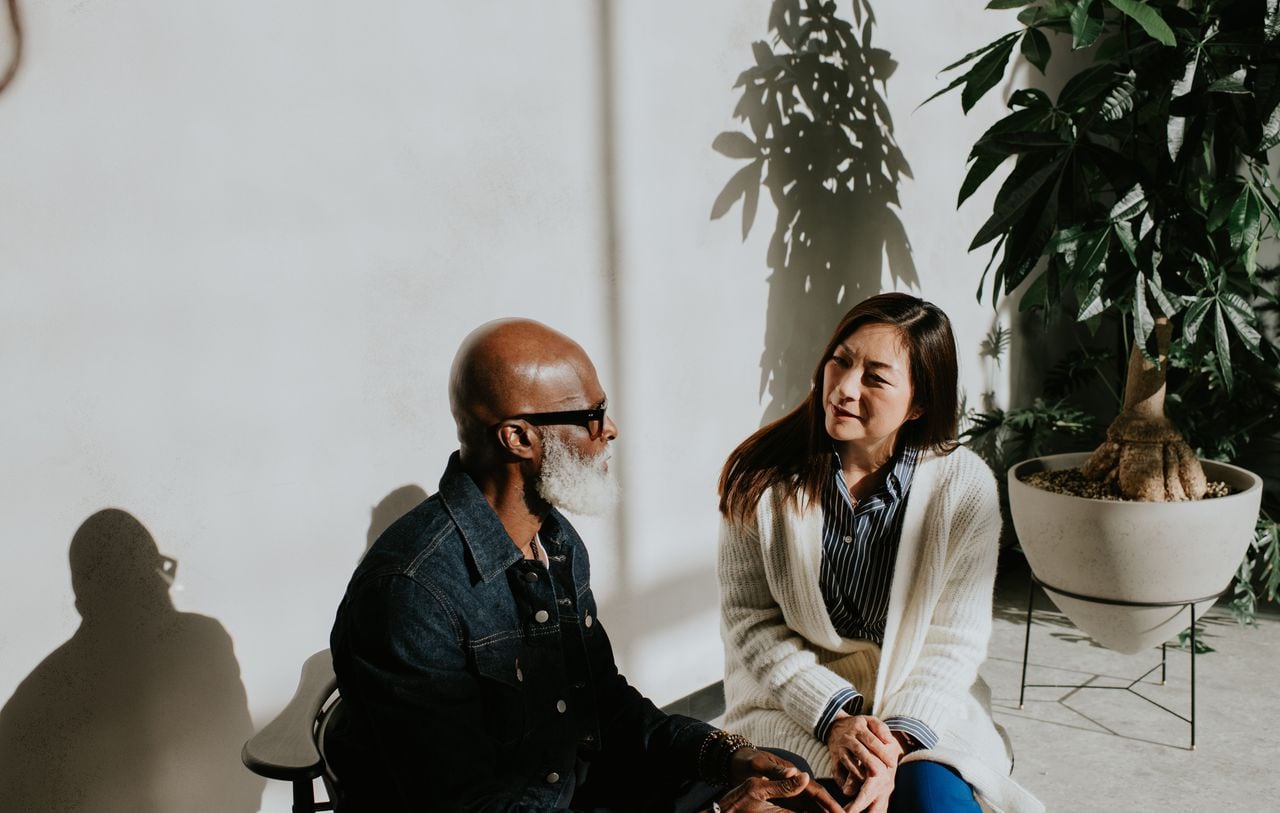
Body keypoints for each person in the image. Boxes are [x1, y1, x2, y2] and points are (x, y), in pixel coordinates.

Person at [328, 318, 842, 812]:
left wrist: (726, 755)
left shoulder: (553, 538)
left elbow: (603, 701)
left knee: (778, 778)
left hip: (577, 788)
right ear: (518, 438)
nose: (610, 430)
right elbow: (469, 804)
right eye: (591, 414)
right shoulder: (409, 593)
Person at [716, 294, 1043, 813]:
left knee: (936, 800)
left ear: (918, 403)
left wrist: (892, 744)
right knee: (805, 798)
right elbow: (750, 620)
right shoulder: (763, 479)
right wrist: (835, 717)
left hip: (919, 697)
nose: (843, 389)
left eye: (875, 377)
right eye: (840, 361)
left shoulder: (964, 489)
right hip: (792, 700)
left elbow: (952, 642)